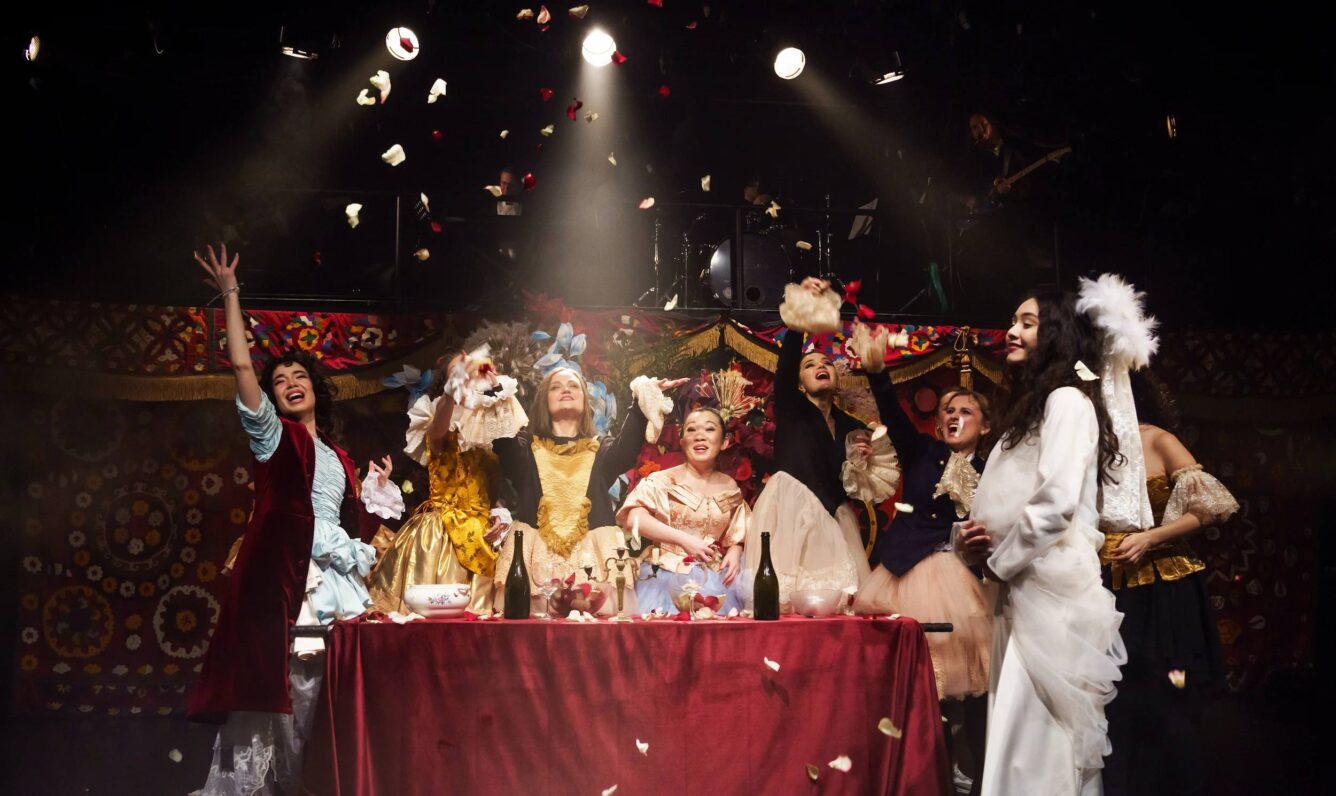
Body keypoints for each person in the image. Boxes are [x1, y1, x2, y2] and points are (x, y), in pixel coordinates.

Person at [185, 244, 403, 795]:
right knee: (273, 700)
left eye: (298, 374)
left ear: (314, 387)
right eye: (279, 380)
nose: (290, 382)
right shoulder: (273, 436)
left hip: (331, 581)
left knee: (321, 705)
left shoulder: (337, 455)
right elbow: (241, 366)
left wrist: (375, 494)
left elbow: (351, 533)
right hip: (284, 578)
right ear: (272, 396)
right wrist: (231, 293)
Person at [956, 289, 1127, 795]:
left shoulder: (1067, 401)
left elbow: (1055, 505)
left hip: (1049, 590)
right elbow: (1002, 499)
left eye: (1027, 323)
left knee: (1038, 737)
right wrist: (969, 543)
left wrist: (999, 562)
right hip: (1020, 585)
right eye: (1013, 320)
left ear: (1055, 334)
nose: (1012, 331)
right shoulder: (1029, 412)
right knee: (1016, 732)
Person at [1100, 369, 1239, 796]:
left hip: (1163, 586)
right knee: (1116, 698)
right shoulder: (1091, 446)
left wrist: (1151, 537)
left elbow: (1211, 507)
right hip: (1108, 585)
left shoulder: (1158, 439)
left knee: (1170, 692)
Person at [853, 377, 994, 793]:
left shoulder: (994, 470)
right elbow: (893, 415)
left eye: (965, 411)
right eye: (948, 411)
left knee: (978, 689)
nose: (954, 416)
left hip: (969, 580)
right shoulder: (923, 452)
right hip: (911, 574)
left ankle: (984, 781)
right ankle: (932, 780)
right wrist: (876, 372)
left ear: (985, 425)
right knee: (926, 689)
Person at [491, 368, 684, 613]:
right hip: (536, 564)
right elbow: (504, 443)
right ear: (544, 401)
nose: (566, 389)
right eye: (556, 386)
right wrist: (495, 391)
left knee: (597, 635)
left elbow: (627, 449)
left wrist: (643, 395)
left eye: (573, 385)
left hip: (593, 564)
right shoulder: (526, 449)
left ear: (584, 399)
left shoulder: (602, 451)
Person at [739, 277, 871, 611]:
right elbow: (786, 365)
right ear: (799, 382)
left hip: (832, 515)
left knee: (835, 602)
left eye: (826, 363)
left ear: (837, 376)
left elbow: (859, 487)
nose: (820, 367)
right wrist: (801, 318)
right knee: (786, 599)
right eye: (810, 365)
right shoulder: (791, 406)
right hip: (791, 510)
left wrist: (862, 465)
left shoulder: (852, 426)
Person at [367, 348, 527, 616]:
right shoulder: (441, 420)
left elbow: (493, 484)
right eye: (459, 371)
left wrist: (498, 513)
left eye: (473, 369)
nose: (468, 374)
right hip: (440, 535)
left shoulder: (490, 434)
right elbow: (438, 430)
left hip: (482, 536)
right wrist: (452, 393)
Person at [617, 406, 750, 615]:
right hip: (666, 575)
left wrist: (736, 550)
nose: (699, 436)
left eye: (709, 429)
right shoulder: (663, 480)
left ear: (724, 442)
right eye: (691, 430)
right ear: (682, 441)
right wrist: (683, 540)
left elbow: (739, 529)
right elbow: (634, 519)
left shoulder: (730, 486)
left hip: (716, 579)